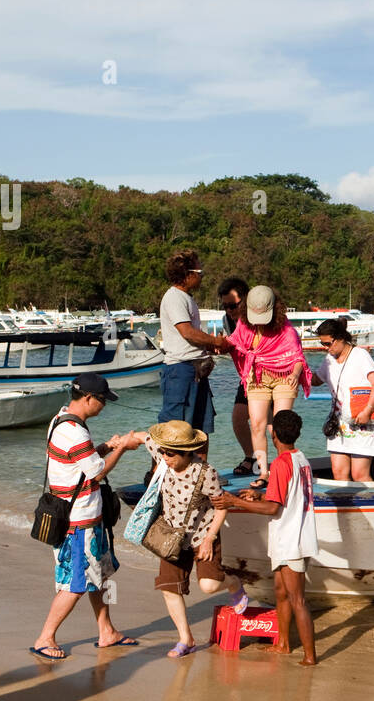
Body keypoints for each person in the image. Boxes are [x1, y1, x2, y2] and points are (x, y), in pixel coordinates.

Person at [116, 421, 249, 657]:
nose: (164, 458)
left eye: (170, 454)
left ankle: (234, 584)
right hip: (171, 537)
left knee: (209, 586)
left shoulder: (206, 473)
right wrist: (124, 441)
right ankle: (186, 639)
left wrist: (210, 538)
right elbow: (144, 437)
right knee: (169, 588)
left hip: (201, 535)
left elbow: (221, 507)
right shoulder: (163, 454)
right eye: (163, 452)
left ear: (186, 452)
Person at [30, 373, 137, 661]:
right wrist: (123, 448)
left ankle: (107, 632)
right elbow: (97, 472)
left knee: (97, 575)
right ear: (88, 398)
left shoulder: (60, 420)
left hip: (84, 517)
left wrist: (105, 447)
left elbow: (79, 461)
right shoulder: (75, 431)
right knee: (76, 584)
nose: (104, 406)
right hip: (78, 522)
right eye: (102, 400)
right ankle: (45, 637)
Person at [212, 410, 318, 666]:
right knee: (281, 592)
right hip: (293, 535)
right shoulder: (300, 458)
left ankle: (310, 657)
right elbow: (284, 497)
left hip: (290, 539)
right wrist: (257, 495)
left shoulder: (281, 463)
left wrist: (234, 500)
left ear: (273, 435)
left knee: (297, 600)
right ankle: (282, 644)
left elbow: (273, 509)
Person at [224, 285, 309, 489]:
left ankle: (285, 471)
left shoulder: (286, 330)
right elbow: (233, 343)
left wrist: (296, 375)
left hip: (285, 375)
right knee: (257, 424)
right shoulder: (244, 325)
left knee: (281, 427)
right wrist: (216, 344)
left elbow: (297, 358)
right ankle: (263, 472)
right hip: (257, 376)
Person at [311, 318, 374, 481]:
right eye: (323, 344)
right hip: (339, 423)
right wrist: (295, 369)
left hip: (363, 420)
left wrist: (367, 411)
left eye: (328, 343)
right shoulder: (329, 359)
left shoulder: (360, 355)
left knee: (359, 474)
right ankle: (347, 506)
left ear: (340, 338)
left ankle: (369, 506)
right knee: (338, 472)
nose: (326, 348)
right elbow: (316, 380)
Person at [158, 249, 222, 431]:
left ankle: (200, 461)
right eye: (199, 273)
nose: (201, 277)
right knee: (175, 431)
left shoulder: (186, 298)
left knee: (201, 428)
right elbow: (187, 332)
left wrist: (210, 346)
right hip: (181, 370)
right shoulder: (174, 297)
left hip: (196, 369)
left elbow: (190, 337)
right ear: (187, 275)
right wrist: (216, 342)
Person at [216, 277, 257, 476]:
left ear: (245, 301)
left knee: (269, 424)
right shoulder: (227, 321)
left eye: (233, 306)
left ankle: (286, 460)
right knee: (238, 418)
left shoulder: (258, 318)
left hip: (267, 376)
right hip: (247, 377)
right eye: (225, 307)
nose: (229, 311)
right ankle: (252, 458)